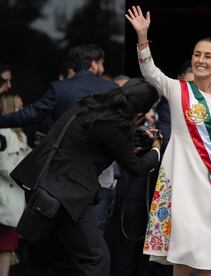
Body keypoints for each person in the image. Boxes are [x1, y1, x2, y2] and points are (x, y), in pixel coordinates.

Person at [126, 5, 211, 276]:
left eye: (208, 56)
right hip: (182, 189)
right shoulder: (177, 90)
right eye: (197, 54)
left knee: (208, 263)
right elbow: (150, 71)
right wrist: (143, 37)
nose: (201, 60)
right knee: (183, 259)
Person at [9, 79, 162, 276]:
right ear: (139, 114)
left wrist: (131, 142)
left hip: (47, 188)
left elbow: (91, 144)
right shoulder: (113, 124)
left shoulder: (90, 105)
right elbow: (136, 167)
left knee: (63, 262)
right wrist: (156, 147)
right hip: (65, 198)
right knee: (97, 258)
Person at [0, 44, 117, 128]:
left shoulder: (59, 89)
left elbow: (30, 115)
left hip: (67, 158)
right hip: (103, 159)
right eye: (101, 63)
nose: (103, 69)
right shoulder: (112, 89)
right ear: (93, 64)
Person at [0, 93, 31, 276]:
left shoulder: (19, 134)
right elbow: (2, 162)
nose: (22, 110)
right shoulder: (4, 133)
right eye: (18, 107)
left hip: (11, 202)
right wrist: (22, 175)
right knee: (5, 248)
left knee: (7, 249)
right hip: (5, 201)